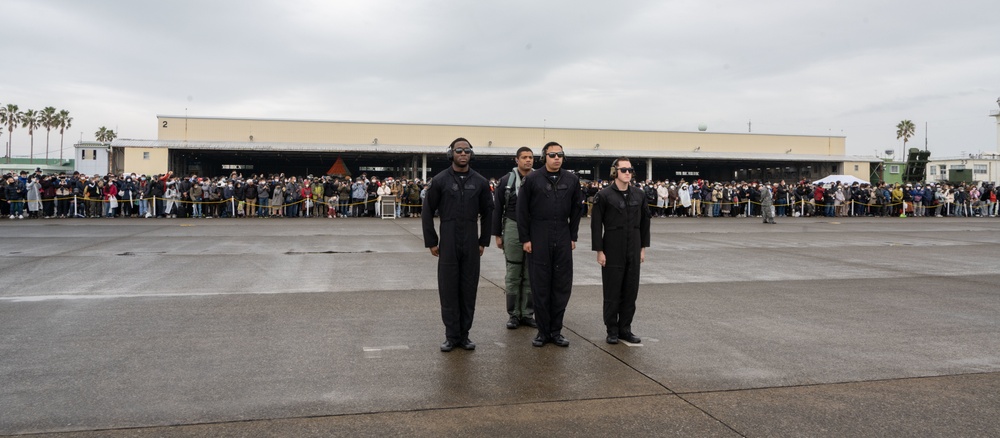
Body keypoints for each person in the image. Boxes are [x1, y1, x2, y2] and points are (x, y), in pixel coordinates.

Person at [422, 138, 493, 352]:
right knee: (449, 289)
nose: (462, 154)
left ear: (472, 154)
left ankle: (464, 335)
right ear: (451, 153)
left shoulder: (479, 182)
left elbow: (489, 213)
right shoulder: (441, 180)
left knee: (468, 289)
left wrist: (483, 241)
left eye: (467, 150)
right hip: (449, 238)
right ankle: (451, 336)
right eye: (458, 150)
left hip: (471, 239)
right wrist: (432, 241)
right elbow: (427, 211)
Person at [517, 141, 584, 348]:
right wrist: (526, 238)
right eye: (552, 155)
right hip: (539, 234)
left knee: (561, 285)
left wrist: (573, 236)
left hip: (562, 235)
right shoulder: (532, 180)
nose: (557, 158)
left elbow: (576, 210)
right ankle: (543, 331)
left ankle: (556, 331)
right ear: (544, 157)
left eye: (560, 155)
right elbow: (522, 211)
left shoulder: (572, 180)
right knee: (540, 285)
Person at [590, 157, 651, 344]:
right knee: (612, 291)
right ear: (614, 171)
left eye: (630, 170)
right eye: (623, 169)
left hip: (633, 244)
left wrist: (642, 248)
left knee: (630, 290)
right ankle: (612, 329)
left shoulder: (639, 195)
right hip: (612, 245)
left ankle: (625, 328)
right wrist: (599, 251)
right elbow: (596, 225)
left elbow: (645, 223)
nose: (627, 173)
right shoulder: (604, 195)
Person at [492, 147, 537, 330]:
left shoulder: (539, 179)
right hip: (512, 226)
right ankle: (513, 314)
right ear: (516, 160)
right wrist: (497, 234)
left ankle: (527, 313)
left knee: (530, 273)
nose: (528, 160)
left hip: (535, 228)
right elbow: (497, 208)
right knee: (513, 272)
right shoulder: (506, 181)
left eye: (531, 157)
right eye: (524, 157)